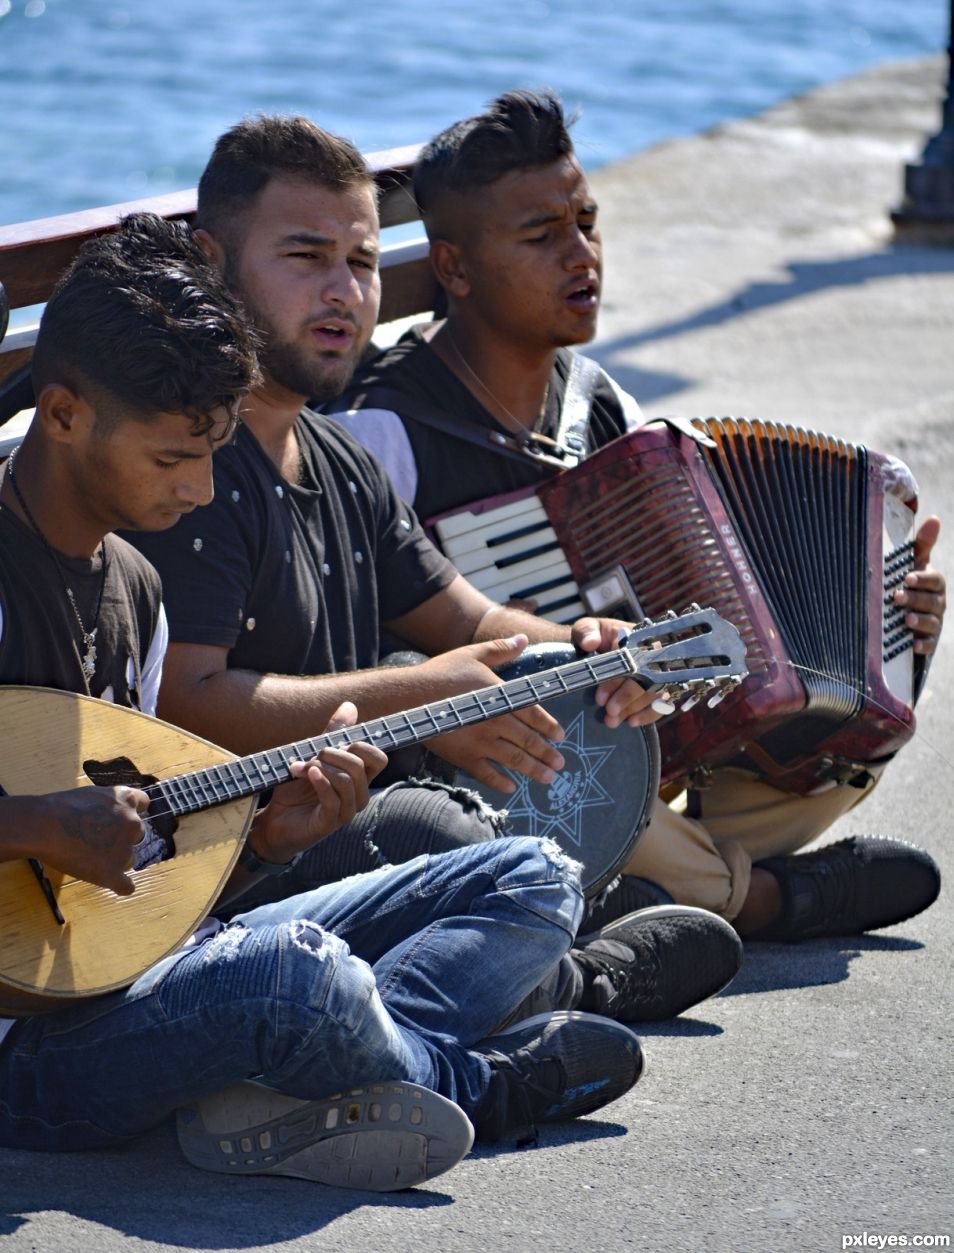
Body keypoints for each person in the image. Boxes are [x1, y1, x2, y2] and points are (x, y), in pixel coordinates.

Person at [0, 213, 648, 1191]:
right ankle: (469, 1081)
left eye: (216, 453)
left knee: (531, 875)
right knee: (289, 973)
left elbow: (134, 898)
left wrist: (267, 843)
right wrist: (37, 819)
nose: (201, 487)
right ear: (62, 414)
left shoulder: (134, 588)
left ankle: (318, 1070)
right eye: (175, 457)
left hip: (143, 970)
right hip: (31, 1056)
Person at [123, 114, 744, 1025]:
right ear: (212, 261)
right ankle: (584, 977)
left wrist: (594, 647)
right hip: (233, 855)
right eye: (306, 257)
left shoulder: (339, 459)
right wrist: (414, 700)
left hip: (341, 810)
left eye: (364, 264)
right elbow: (185, 699)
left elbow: (468, 624)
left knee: (502, 792)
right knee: (439, 829)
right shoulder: (198, 475)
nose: (344, 294)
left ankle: (543, 943)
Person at [331, 88, 944, 941]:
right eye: (542, 237)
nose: (581, 254)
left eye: (587, 222)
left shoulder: (601, 408)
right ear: (455, 268)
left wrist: (886, 619)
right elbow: (366, 651)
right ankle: (758, 898)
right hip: (500, 764)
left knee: (854, 718)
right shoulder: (383, 432)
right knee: (558, 773)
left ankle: (655, 882)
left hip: (646, 753)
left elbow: (709, 621)